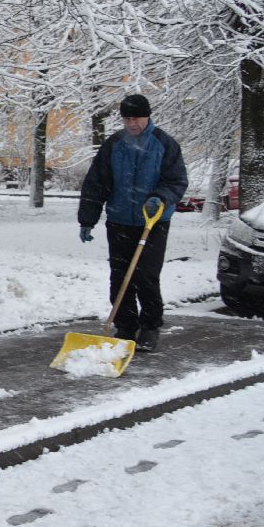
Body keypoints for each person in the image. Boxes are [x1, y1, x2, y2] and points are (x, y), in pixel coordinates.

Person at [76, 93, 188, 353]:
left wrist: (160, 197)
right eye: (127, 119)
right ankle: (125, 326)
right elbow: (97, 182)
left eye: (136, 118)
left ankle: (149, 326)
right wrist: (87, 219)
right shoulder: (114, 144)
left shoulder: (164, 144)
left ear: (148, 116)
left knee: (146, 274)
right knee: (120, 274)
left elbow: (176, 181)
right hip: (119, 219)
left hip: (154, 221)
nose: (132, 124)